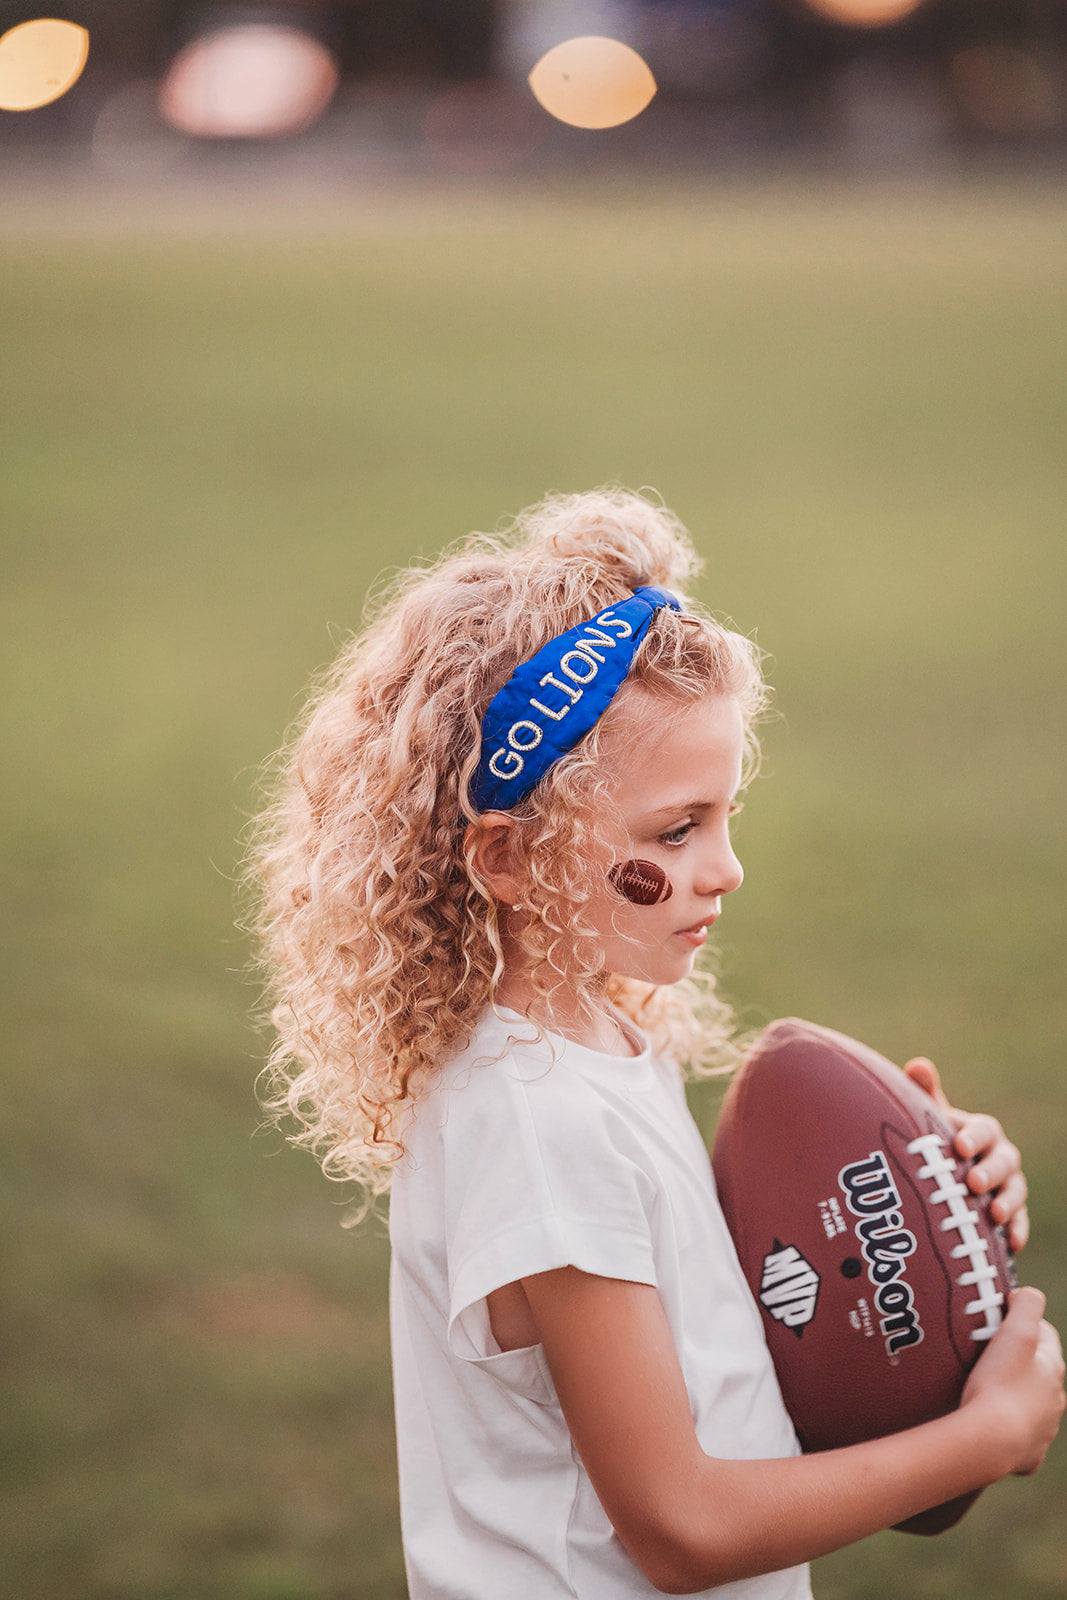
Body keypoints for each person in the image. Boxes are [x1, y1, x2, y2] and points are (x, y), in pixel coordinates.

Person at [249, 488, 1063, 1599]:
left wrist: (910, 1192)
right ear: (502, 858)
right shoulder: (538, 1122)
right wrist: (985, 1437)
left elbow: (699, 1319)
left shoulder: (594, 1043)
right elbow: (679, 1527)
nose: (723, 867)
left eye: (725, 816)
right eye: (675, 831)